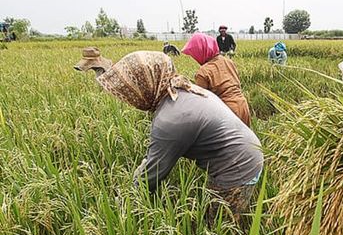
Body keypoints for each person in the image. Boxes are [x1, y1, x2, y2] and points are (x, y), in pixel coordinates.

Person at [96, 51, 263, 221]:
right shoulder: (186, 90)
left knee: (216, 226)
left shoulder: (170, 119)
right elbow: (154, 158)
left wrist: (124, 203)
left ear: (145, 86)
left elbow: (152, 175)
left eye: (132, 91)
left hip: (239, 167)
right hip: (248, 152)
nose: (130, 99)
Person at [182, 33, 251, 126]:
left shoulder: (203, 72)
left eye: (195, 54)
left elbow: (201, 102)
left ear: (201, 51)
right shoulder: (228, 61)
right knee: (244, 139)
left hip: (226, 112)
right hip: (243, 106)